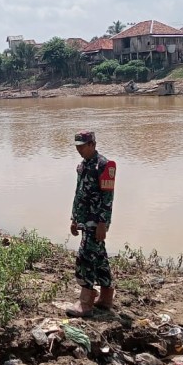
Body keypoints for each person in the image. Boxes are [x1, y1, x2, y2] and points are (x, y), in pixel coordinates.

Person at [66, 130, 116, 318]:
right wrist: (74, 219)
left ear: (92, 145)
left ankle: (86, 303)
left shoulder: (104, 165)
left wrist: (102, 223)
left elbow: (108, 197)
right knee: (100, 258)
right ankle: (105, 298)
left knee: (86, 257)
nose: (79, 149)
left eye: (82, 146)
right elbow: (78, 193)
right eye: (77, 146)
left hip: (96, 221)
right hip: (84, 219)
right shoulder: (82, 166)